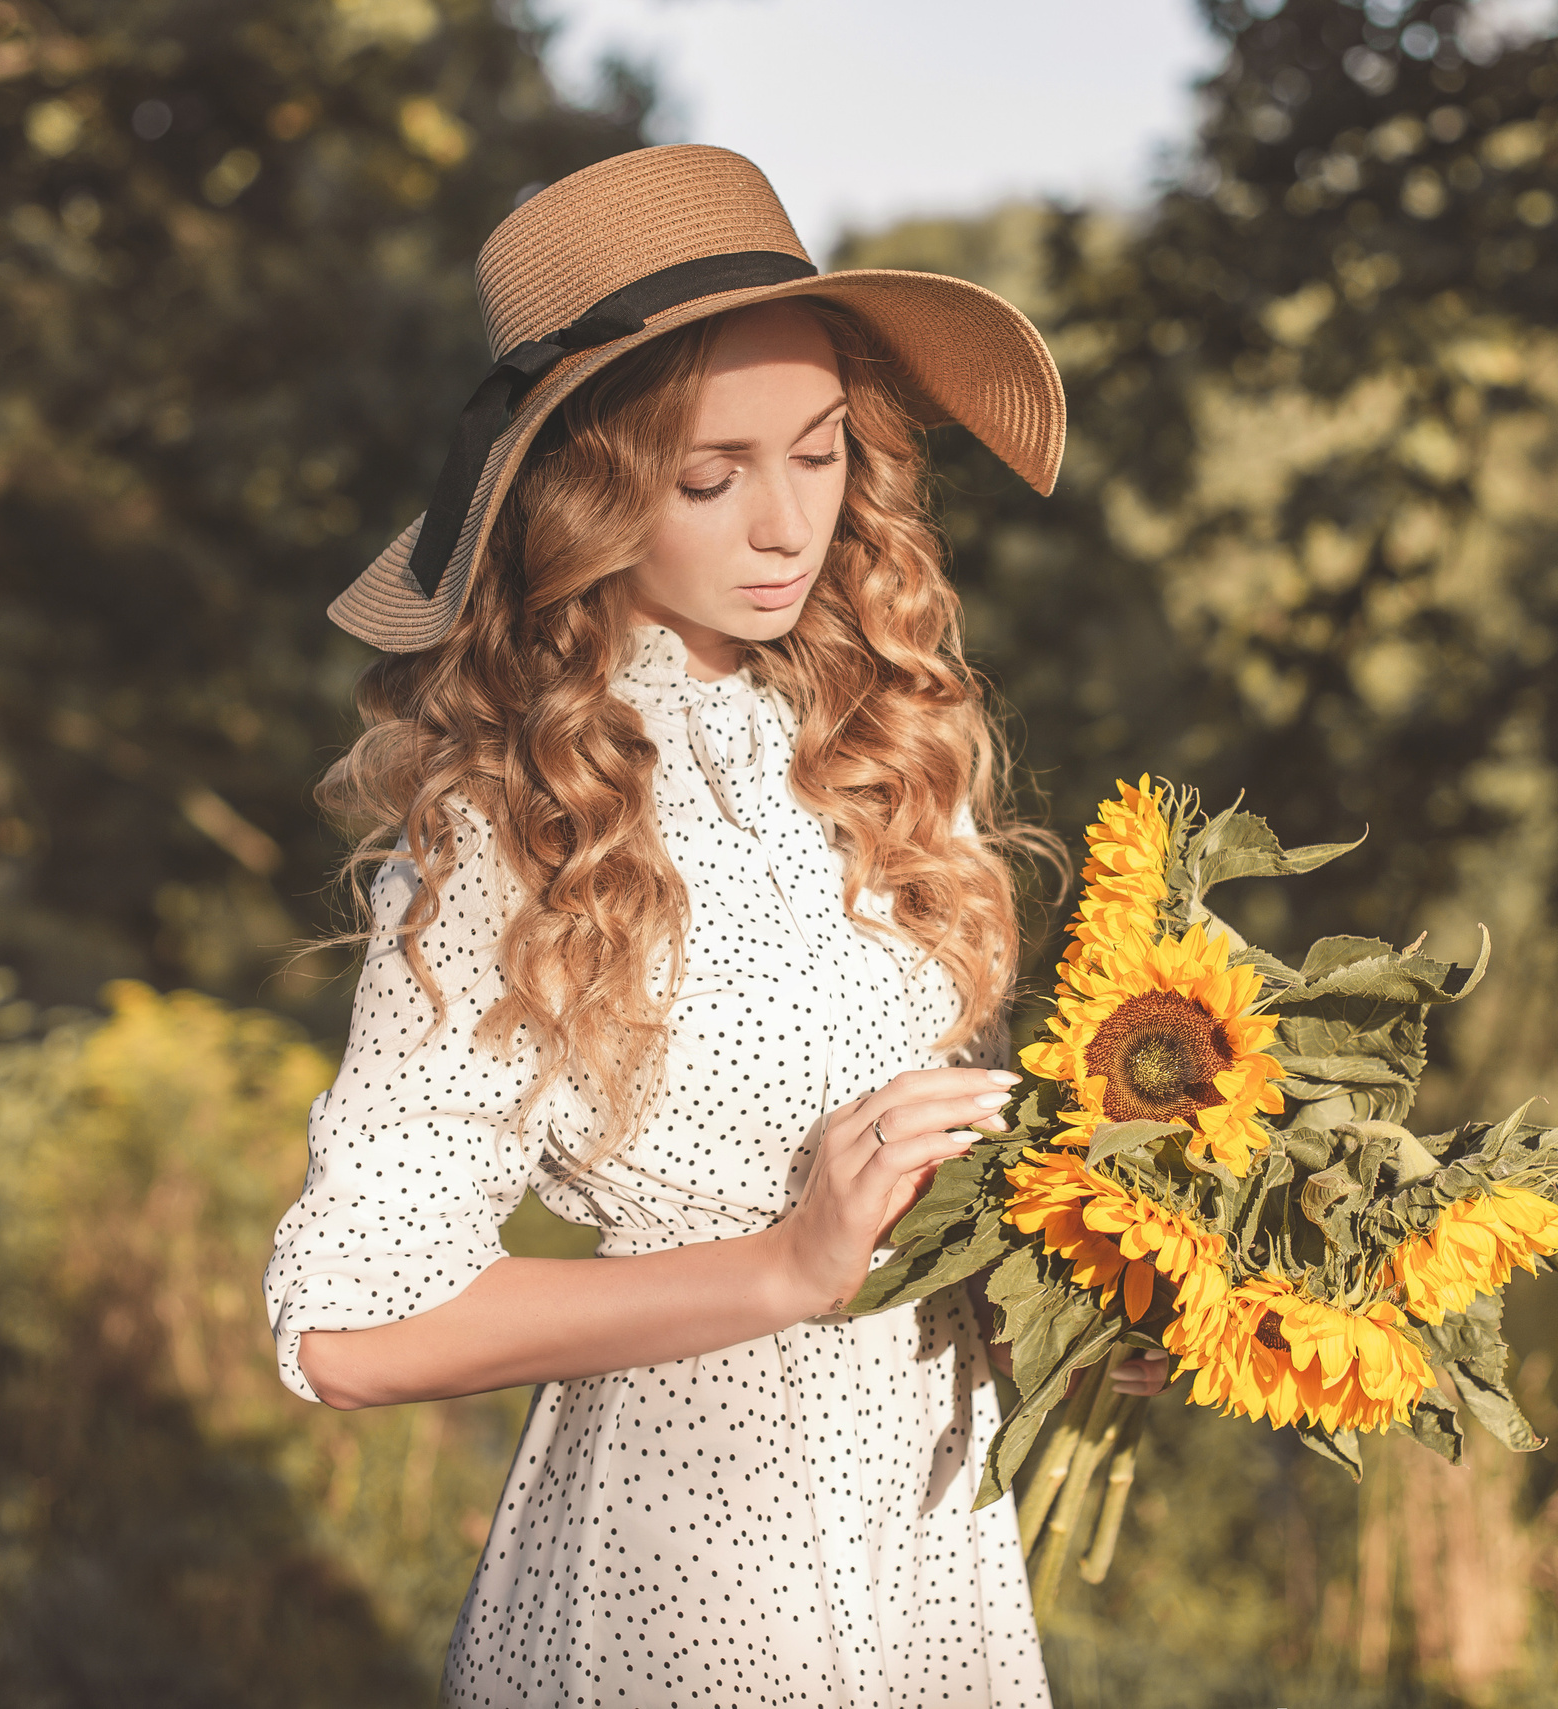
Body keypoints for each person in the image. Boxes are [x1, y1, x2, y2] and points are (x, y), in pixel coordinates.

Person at [264, 145, 1164, 1707]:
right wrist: (785, 1266)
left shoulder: (884, 754)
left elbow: (924, 1205)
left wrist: (1083, 1297)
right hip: (686, 1585)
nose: (785, 524)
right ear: (584, 493)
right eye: (709, 475)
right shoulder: (509, 825)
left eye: (817, 453)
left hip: (930, 1539)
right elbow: (351, 1328)